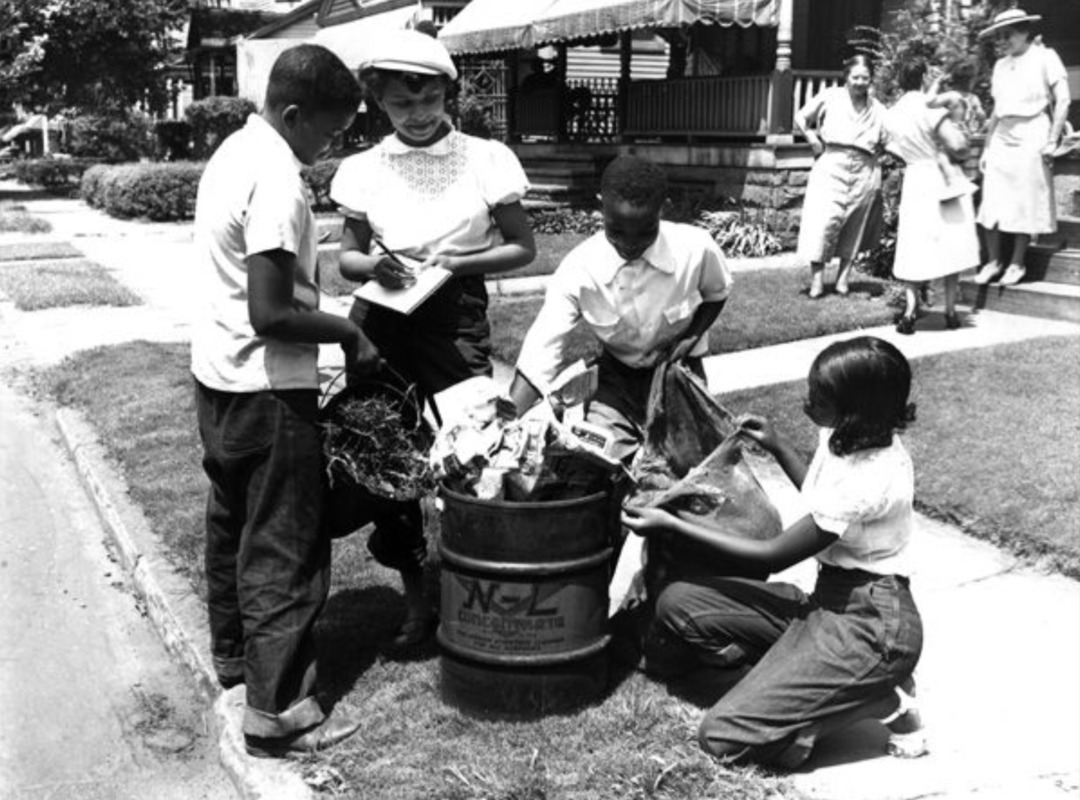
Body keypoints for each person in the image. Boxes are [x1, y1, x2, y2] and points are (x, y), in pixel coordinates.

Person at [191, 44, 379, 758]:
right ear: (295, 113)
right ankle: (280, 713)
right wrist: (347, 336)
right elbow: (272, 313)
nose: (328, 147)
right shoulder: (276, 178)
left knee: (233, 523)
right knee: (285, 547)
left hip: (218, 377)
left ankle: (237, 661)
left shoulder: (234, 151)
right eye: (328, 132)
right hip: (267, 386)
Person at [622, 336, 925, 769]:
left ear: (854, 409)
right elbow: (823, 501)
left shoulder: (873, 475)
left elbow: (771, 556)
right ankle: (806, 684)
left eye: (819, 398)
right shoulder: (847, 436)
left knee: (722, 737)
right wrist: (779, 445)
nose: (806, 404)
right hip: (829, 605)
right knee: (679, 603)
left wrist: (673, 523)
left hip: (872, 625)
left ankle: (881, 697)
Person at [329, 30, 535, 648]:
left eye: (428, 102)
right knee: (387, 452)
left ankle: (478, 587)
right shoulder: (364, 168)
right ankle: (416, 599)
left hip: (454, 315)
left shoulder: (485, 159)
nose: (417, 117)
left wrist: (461, 262)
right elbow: (346, 259)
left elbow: (522, 247)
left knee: (473, 445)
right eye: (400, 106)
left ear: (449, 92)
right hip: (384, 316)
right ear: (379, 104)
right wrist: (377, 267)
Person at [509, 155, 732, 468]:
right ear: (601, 206)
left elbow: (716, 293)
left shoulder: (696, 248)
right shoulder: (579, 269)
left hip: (679, 375)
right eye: (616, 230)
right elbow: (543, 350)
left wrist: (689, 340)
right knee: (601, 462)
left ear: (662, 209)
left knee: (693, 467)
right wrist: (505, 425)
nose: (629, 244)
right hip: (616, 380)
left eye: (644, 232)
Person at [973, 8, 1071, 287]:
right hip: (1003, 133)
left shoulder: (1045, 57)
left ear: (1025, 31)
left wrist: (1052, 140)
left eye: (1009, 34)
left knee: (1025, 200)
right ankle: (993, 261)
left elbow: (1062, 100)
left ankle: (1017, 263)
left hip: (1033, 132)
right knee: (991, 198)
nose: (1003, 40)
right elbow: (996, 110)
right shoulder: (1000, 66)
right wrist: (988, 148)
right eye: (999, 36)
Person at [887, 58, 981, 334]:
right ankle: (950, 310)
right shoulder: (930, 107)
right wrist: (961, 142)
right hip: (941, 177)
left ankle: (910, 308)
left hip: (915, 178)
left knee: (914, 241)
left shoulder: (892, 114)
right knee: (950, 240)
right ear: (924, 77)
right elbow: (959, 146)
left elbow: (895, 150)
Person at [794, 54, 887, 299]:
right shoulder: (830, 97)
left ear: (870, 80)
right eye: (855, 77)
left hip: (864, 168)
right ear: (846, 77)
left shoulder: (878, 108)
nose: (859, 82)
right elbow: (801, 117)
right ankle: (817, 282)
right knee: (824, 223)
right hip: (831, 162)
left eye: (864, 78)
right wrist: (812, 138)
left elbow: (889, 138)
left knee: (855, 223)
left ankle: (843, 281)